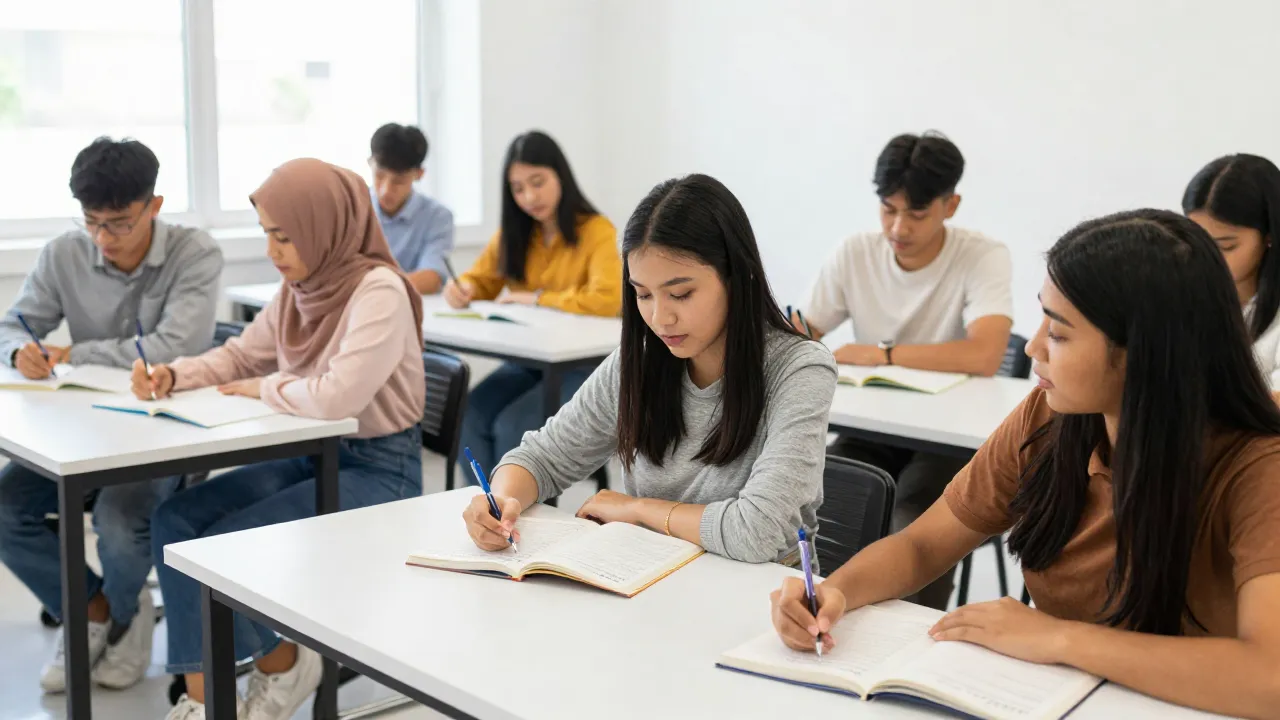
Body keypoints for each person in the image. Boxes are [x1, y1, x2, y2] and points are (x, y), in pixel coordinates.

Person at [770, 209, 1280, 719]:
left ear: (1138, 354)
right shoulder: (1051, 417)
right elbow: (923, 545)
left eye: (1058, 333)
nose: (1033, 347)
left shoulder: (1258, 466)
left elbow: (1268, 678)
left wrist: (1059, 637)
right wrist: (836, 591)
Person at [142, 159, 426, 720]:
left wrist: (265, 387)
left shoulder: (379, 292)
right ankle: (212, 701)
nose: (273, 250)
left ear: (325, 227)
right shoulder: (302, 285)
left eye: (284, 235)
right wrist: (175, 373)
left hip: (380, 470)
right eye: (267, 234)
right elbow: (245, 353)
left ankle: (276, 669)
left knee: (227, 543)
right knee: (175, 522)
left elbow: (335, 397)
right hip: (312, 455)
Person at [462, 174, 836, 565]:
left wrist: (638, 509)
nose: (660, 318)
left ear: (737, 277)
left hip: (761, 598)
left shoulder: (800, 369)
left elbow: (759, 532)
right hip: (650, 577)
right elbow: (542, 456)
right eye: (642, 294)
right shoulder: (641, 358)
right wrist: (501, 501)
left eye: (680, 294)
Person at [0, 136, 223, 694]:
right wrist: (17, 352)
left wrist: (73, 353)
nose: (103, 239)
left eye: (119, 223)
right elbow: (13, 325)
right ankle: (100, 612)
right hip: (81, 428)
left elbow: (176, 345)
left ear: (155, 205)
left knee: (120, 524)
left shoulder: (196, 253)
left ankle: (122, 623)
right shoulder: (63, 253)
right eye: (91, 222)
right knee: (4, 508)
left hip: (163, 432)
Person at [795, 131, 1013, 610]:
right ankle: (815, 615)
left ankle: (908, 644)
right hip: (876, 428)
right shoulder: (856, 252)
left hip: (952, 439)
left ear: (950, 205)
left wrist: (884, 354)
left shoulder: (982, 255)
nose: (898, 228)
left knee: (916, 520)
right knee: (815, 498)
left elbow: (985, 354)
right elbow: (802, 331)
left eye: (916, 214)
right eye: (888, 209)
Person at [446, 130, 623, 476]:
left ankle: (517, 517)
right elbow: (482, 279)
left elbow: (607, 300)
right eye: (518, 188)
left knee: (515, 427)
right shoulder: (516, 233)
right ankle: (490, 512)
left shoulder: (596, 230)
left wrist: (538, 299)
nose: (529, 196)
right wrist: (463, 287)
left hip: (584, 365)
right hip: (529, 363)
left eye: (538, 182)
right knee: (468, 415)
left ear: (561, 175)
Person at [1183, 153, 1280, 395]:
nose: (1206, 256)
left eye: (1225, 246)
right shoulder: (1181, 293)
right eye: (1195, 241)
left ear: (1269, 236)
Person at [368, 122, 456, 294]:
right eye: (379, 176)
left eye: (398, 181)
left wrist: (374, 290)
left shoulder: (438, 217)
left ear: (419, 174)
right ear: (370, 163)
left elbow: (431, 278)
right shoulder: (352, 208)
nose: (386, 190)